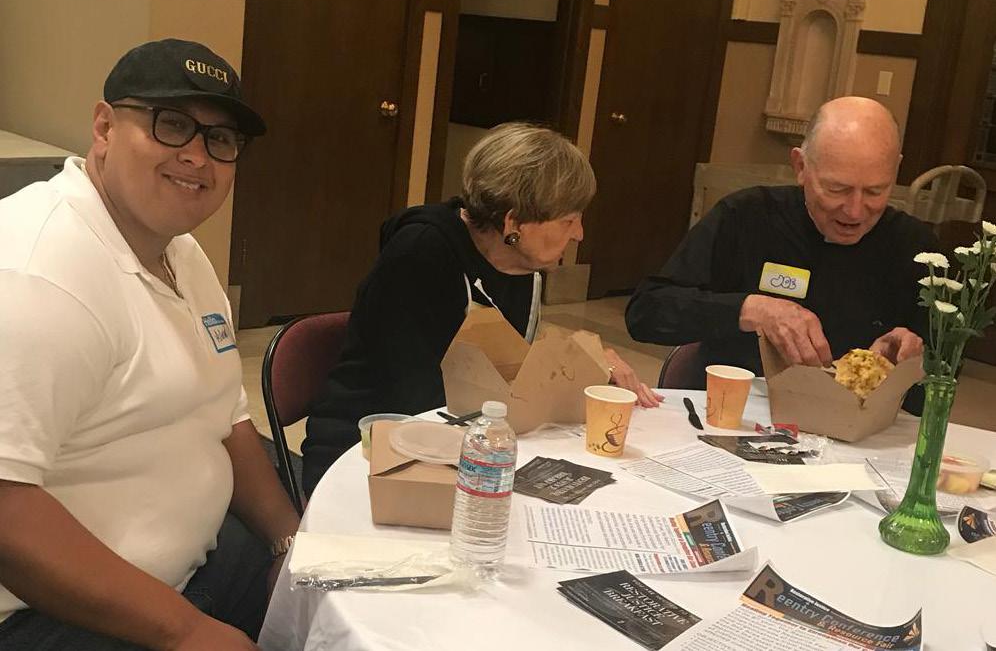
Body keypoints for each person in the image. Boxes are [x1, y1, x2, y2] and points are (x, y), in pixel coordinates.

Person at [0, 39, 300, 650]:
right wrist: (186, 632)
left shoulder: (180, 252)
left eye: (220, 139)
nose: (197, 156)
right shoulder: (38, 273)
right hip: (50, 614)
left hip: (194, 566)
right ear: (104, 127)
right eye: (172, 124)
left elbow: (226, 416)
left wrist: (289, 545)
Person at [302, 123, 661, 495]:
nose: (579, 234)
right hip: (371, 450)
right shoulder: (421, 253)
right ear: (513, 222)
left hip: (456, 442)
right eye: (568, 220)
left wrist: (584, 363)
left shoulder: (522, 264)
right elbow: (420, 393)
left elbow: (504, 369)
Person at [626, 96, 938, 387]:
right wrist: (750, 309)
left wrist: (913, 354)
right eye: (836, 189)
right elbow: (646, 313)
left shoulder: (916, 249)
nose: (855, 211)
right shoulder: (747, 217)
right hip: (737, 405)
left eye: (874, 191)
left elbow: (942, 369)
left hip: (858, 419)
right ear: (800, 167)